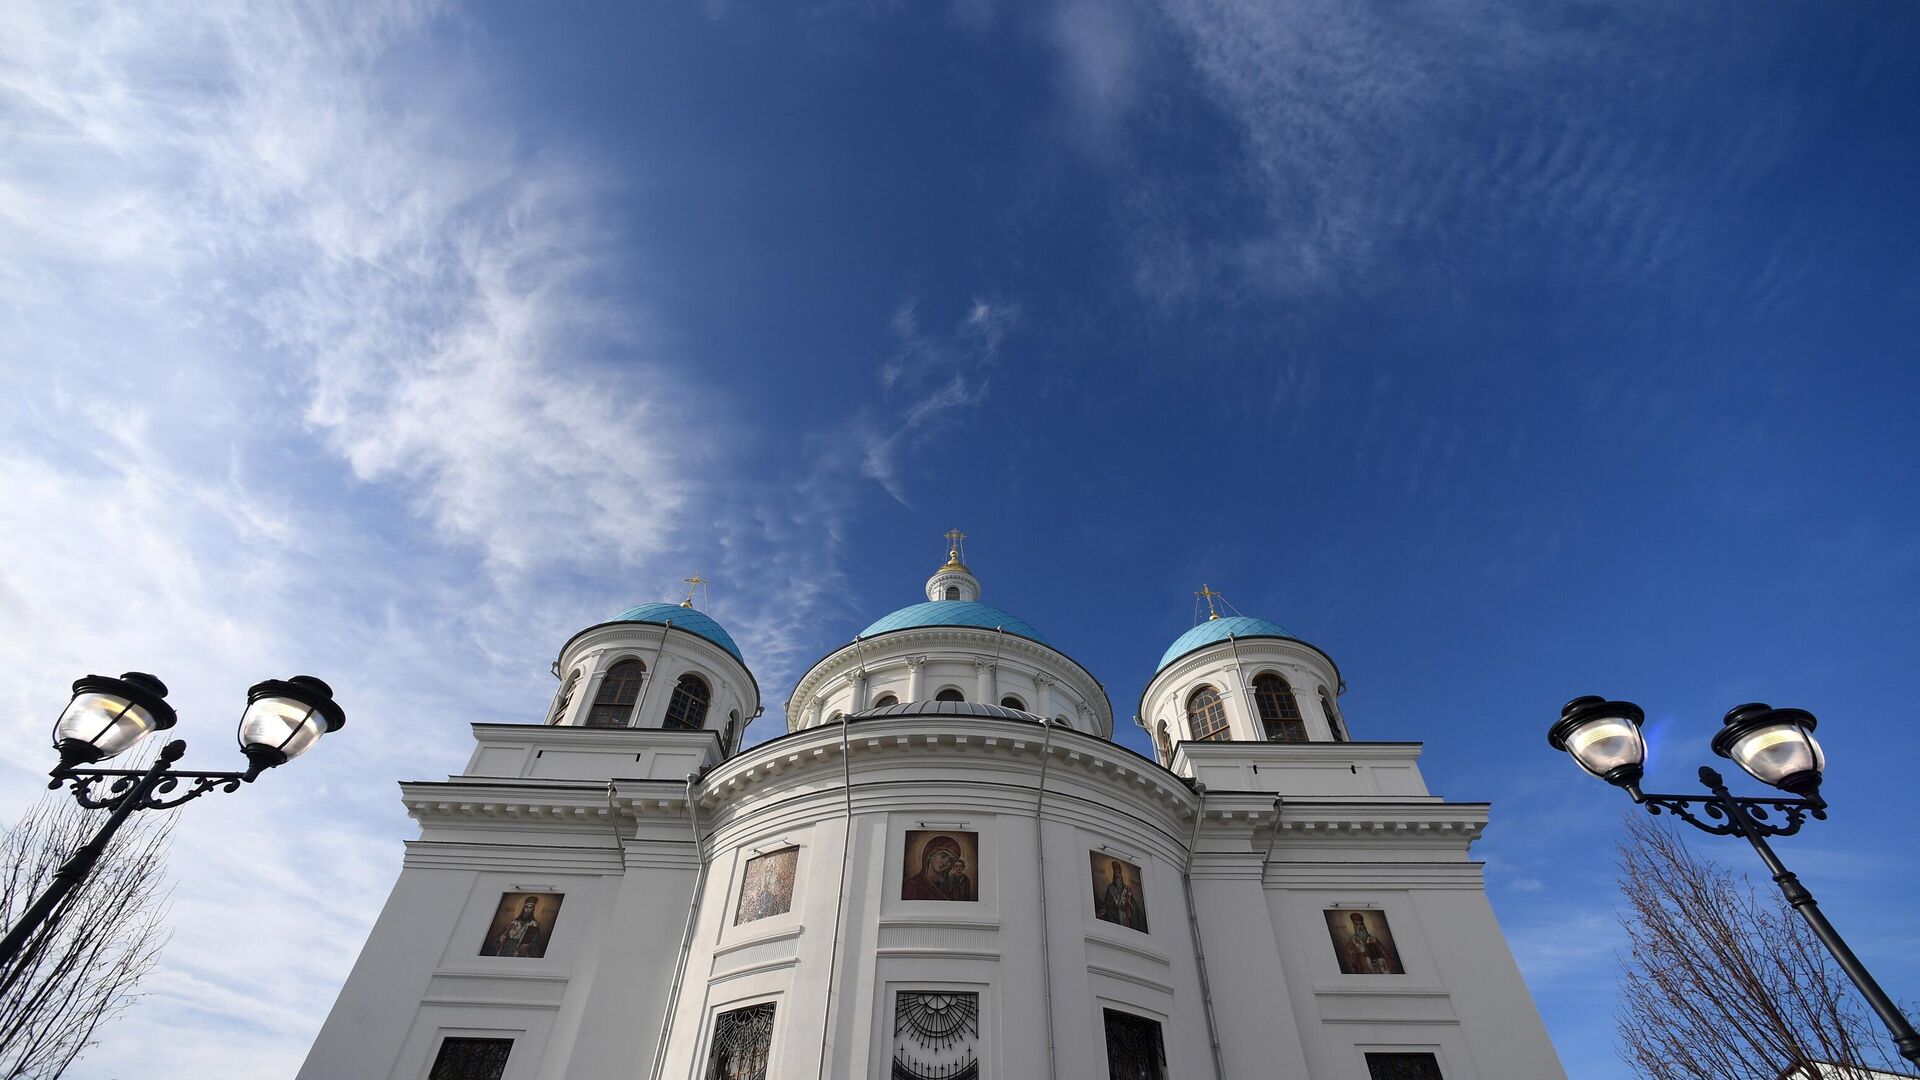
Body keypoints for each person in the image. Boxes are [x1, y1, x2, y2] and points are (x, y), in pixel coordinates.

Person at [902, 835, 974, 901]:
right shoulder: (912, 886)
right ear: (930, 854)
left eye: (951, 860)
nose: (946, 862)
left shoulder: (949, 886)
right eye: (943, 855)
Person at [1096, 860, 1145, 931]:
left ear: (1121, 874)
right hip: (1115, 916)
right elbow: (1107, 903)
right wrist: (1105, 910)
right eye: (1115, 873)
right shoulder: (1110, 888)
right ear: (1113, 874)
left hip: (1126, 919)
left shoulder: (1126, 889)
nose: (1117, 875)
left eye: (1119, 873)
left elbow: (1134, 906)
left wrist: (1129, 905)